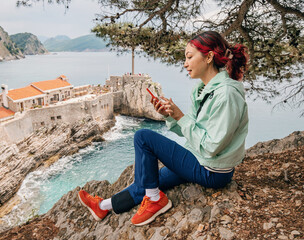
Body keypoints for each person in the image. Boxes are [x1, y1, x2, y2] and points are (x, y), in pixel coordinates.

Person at [78, 31, 249, 226]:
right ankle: (104, 206)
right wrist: (171, 117)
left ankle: (155, 200)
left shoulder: (226, 94)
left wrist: (180, 117)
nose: (185, 63)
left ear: (209, 57)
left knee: (143, 137)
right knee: (150, 179)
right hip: (201, 159)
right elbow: (190, 131)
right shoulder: (200, 90)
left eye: (190, 57)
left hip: (213, 171)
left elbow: (211, 146)